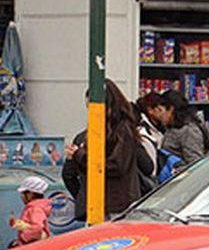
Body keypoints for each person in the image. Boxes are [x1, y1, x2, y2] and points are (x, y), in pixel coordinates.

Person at [62, 80, 154, 220]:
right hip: (103, 204)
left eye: (93, 109)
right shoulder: (94, 134)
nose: (91, 114)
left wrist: (79, 156)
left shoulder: (122, 130)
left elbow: (116, 166)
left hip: (117, 205)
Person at [161, 89, 209, 166]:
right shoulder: (171, 127)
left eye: (161, 110)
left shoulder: (188, 131)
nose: (160, 115)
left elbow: (194, 163)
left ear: (171, 109)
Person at [10, 176, 52, 247]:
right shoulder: (38, 207)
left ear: (30, 194)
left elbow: (37, 228)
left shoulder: (35, 209)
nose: (21, 196)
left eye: (23, 193)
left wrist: (24, 237)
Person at [135, 91, 170, 167]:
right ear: (150, 110)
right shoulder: (143, 131)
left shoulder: (160, 128)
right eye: (160, 110)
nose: (164, 114)